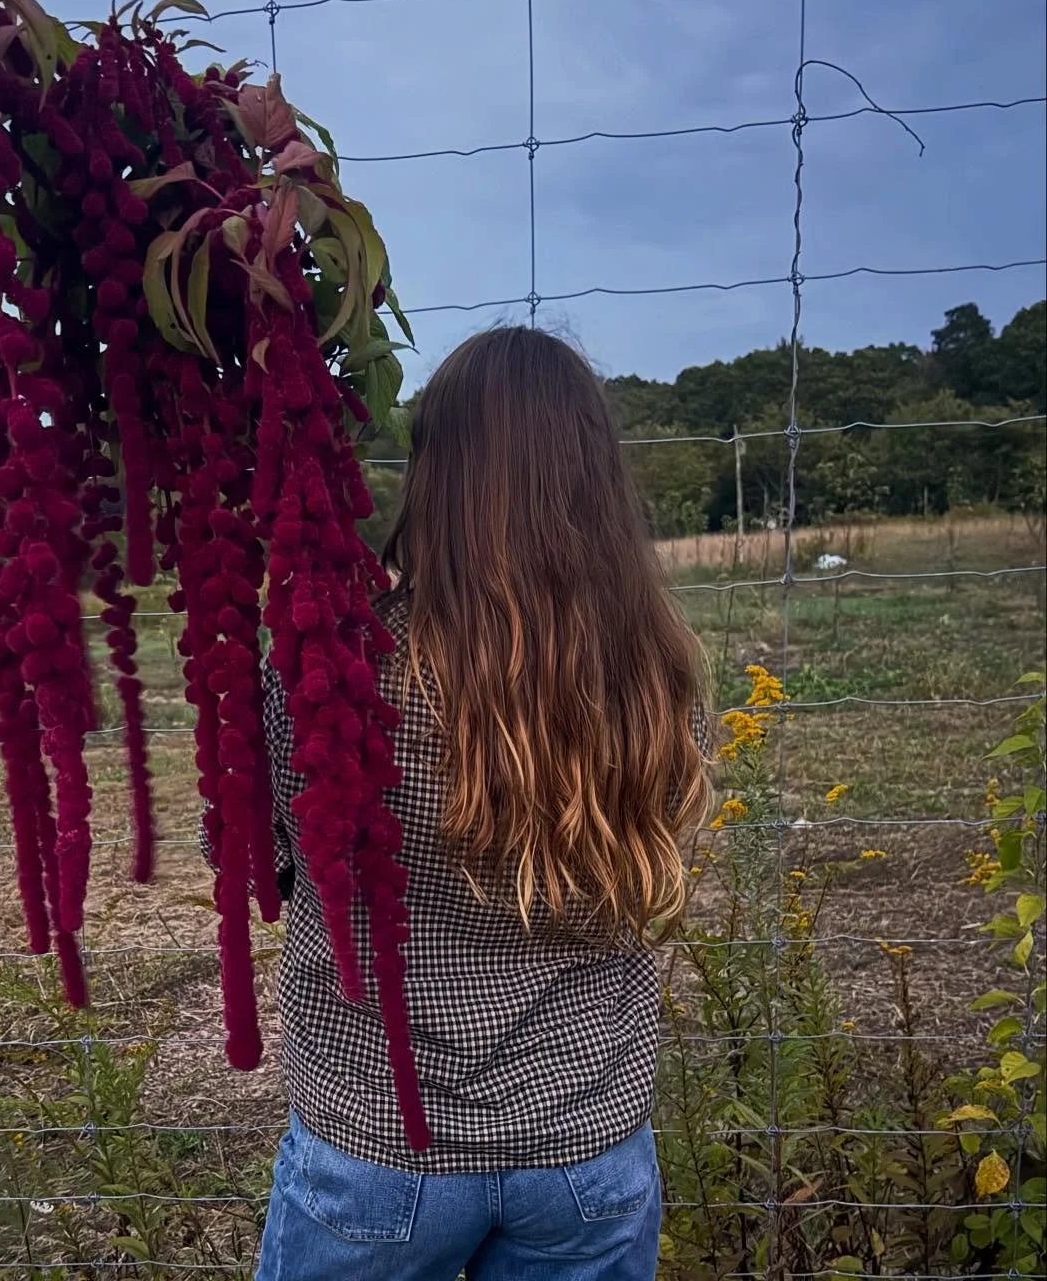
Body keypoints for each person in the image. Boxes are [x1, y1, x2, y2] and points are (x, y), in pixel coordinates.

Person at [241, 325, 713, 1280]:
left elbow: (286, 862)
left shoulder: (342, 671)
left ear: (435, 475)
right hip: (586, 1147)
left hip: (380, 1147)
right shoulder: (656, 671)